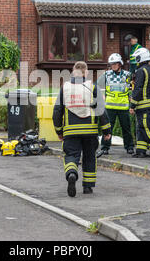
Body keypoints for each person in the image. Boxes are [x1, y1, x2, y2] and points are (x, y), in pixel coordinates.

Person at [53, 61, 112, 197]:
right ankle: (88, 187)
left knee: (71, 155)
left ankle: (72, 174)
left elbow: (57, 111)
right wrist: (106, 131)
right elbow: (101, 111)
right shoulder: (93, 87)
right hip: (90, 131)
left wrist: (59, 131)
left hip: (71, 130)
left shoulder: (65, 88)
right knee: (90, 157)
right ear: (86, 72)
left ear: (73, 72)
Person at [96, 53, 134, 157]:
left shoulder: (127, 75)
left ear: (120, 64)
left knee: (126, 128)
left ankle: (130, 147)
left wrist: (132, 104)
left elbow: (132, 89)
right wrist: (101, 96)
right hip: (110, 107)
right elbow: (96, 86)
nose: (113, 66)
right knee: (107, 128)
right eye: (111, 64)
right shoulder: (106, 75)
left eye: (115, 64)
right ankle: (104, 148)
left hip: (123, 107)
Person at [129, 47, 150, 158]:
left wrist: (132, 105)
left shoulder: (141, 71)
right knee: (141, 128)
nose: (135, 60)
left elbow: (138, 89)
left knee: (146, 127)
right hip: (149, 103)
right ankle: (140, 150)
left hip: (143, 104)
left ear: (140, 57)